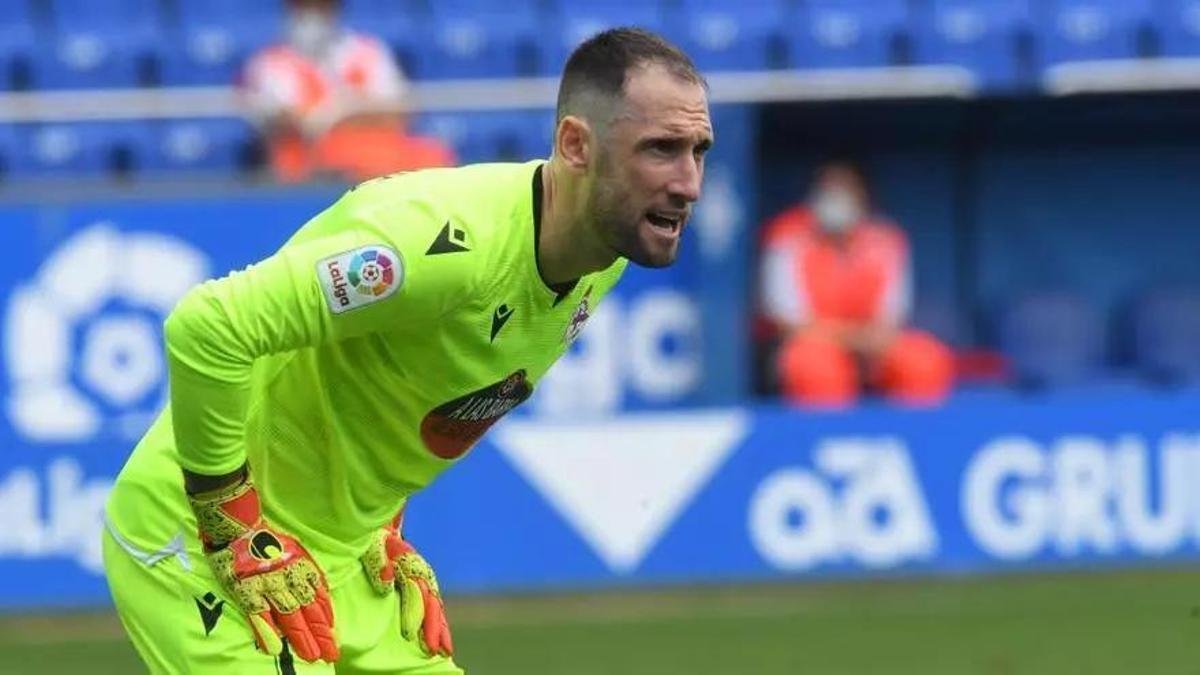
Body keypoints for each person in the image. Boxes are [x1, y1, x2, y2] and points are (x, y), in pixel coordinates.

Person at [102, 27, 713, 674]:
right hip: (205, 542)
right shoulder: (442, 249)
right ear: (575, 145)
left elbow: (410, 391)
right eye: (661, 150)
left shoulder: (602, 256)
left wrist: (383, 527)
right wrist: (232, 524)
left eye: (699, 151)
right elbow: (209, 326)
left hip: (337, 556)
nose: (689, 182)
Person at [757, 159, 953, 407]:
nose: (837, 197)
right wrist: (851, 339)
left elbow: (891, 318)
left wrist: (868, 343)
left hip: (871, 347)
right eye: (829, 189)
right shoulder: (786, 237)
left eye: (846, 189)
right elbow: (787, 323)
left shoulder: (886, 239)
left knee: (923, 360)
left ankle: (916, 439)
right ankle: (822, 438)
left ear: (862, 196)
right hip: (813, 344)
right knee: (815, 366)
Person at [240, 0, 455, 183]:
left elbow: (397, 110)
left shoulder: (367, 51)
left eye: (322, 6)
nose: (314, 14)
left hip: (380, 155)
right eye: (305, 6)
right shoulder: (269, 62)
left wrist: (339, 113)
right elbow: (293, 121)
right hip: (312, 166)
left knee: (432, 155)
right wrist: (355, 111)